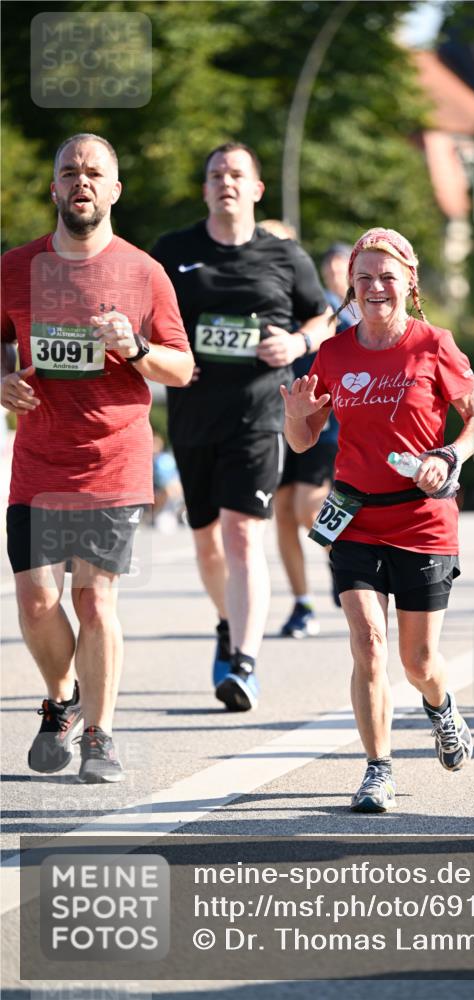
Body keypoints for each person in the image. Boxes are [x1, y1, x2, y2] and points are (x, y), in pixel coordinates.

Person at [1, 133, 193, 782]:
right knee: (33, 602)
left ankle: (101, 735)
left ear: (113, 190)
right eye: (69, 172)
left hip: (112, 458)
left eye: (94, 173)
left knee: (94, 602)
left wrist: (135, 348)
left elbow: (182, 365)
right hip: (37, 460)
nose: (80, 182)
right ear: (53, 188)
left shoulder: (143, 272)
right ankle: (62, 700)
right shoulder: (15, 268)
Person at [280, 227, 474, 813]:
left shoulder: (435, 345)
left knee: (417, 661)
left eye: (388, 277)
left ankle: (441, 705)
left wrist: (448, 455)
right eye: (365, 277)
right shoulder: (334, 352)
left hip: (423, 521)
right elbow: (302, 442)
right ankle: (378, 768)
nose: (376, 287)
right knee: (368, 643)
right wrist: (296, 419)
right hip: (352, 515)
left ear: (410, 283)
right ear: (351, 284)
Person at [151, 142, 331, 710]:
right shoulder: (174, 252)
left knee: (242, 533)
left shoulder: (285, 255)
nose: (225, 182)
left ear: (255, 189)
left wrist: (300, 341)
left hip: (259, 413)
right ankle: (228, 625)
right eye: (215, 175)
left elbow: (323, 315)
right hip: (193, 415)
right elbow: (148, 320)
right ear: (205, 189)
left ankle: (245, 663)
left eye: (236, 174)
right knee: (207, 543)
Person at [275, 242, 359, 637]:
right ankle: (302, 604)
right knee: (284, 512)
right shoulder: (278, 299)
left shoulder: (335, 307)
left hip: (325, 421)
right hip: (283, 415)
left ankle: (344, 556)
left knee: (309, 508)